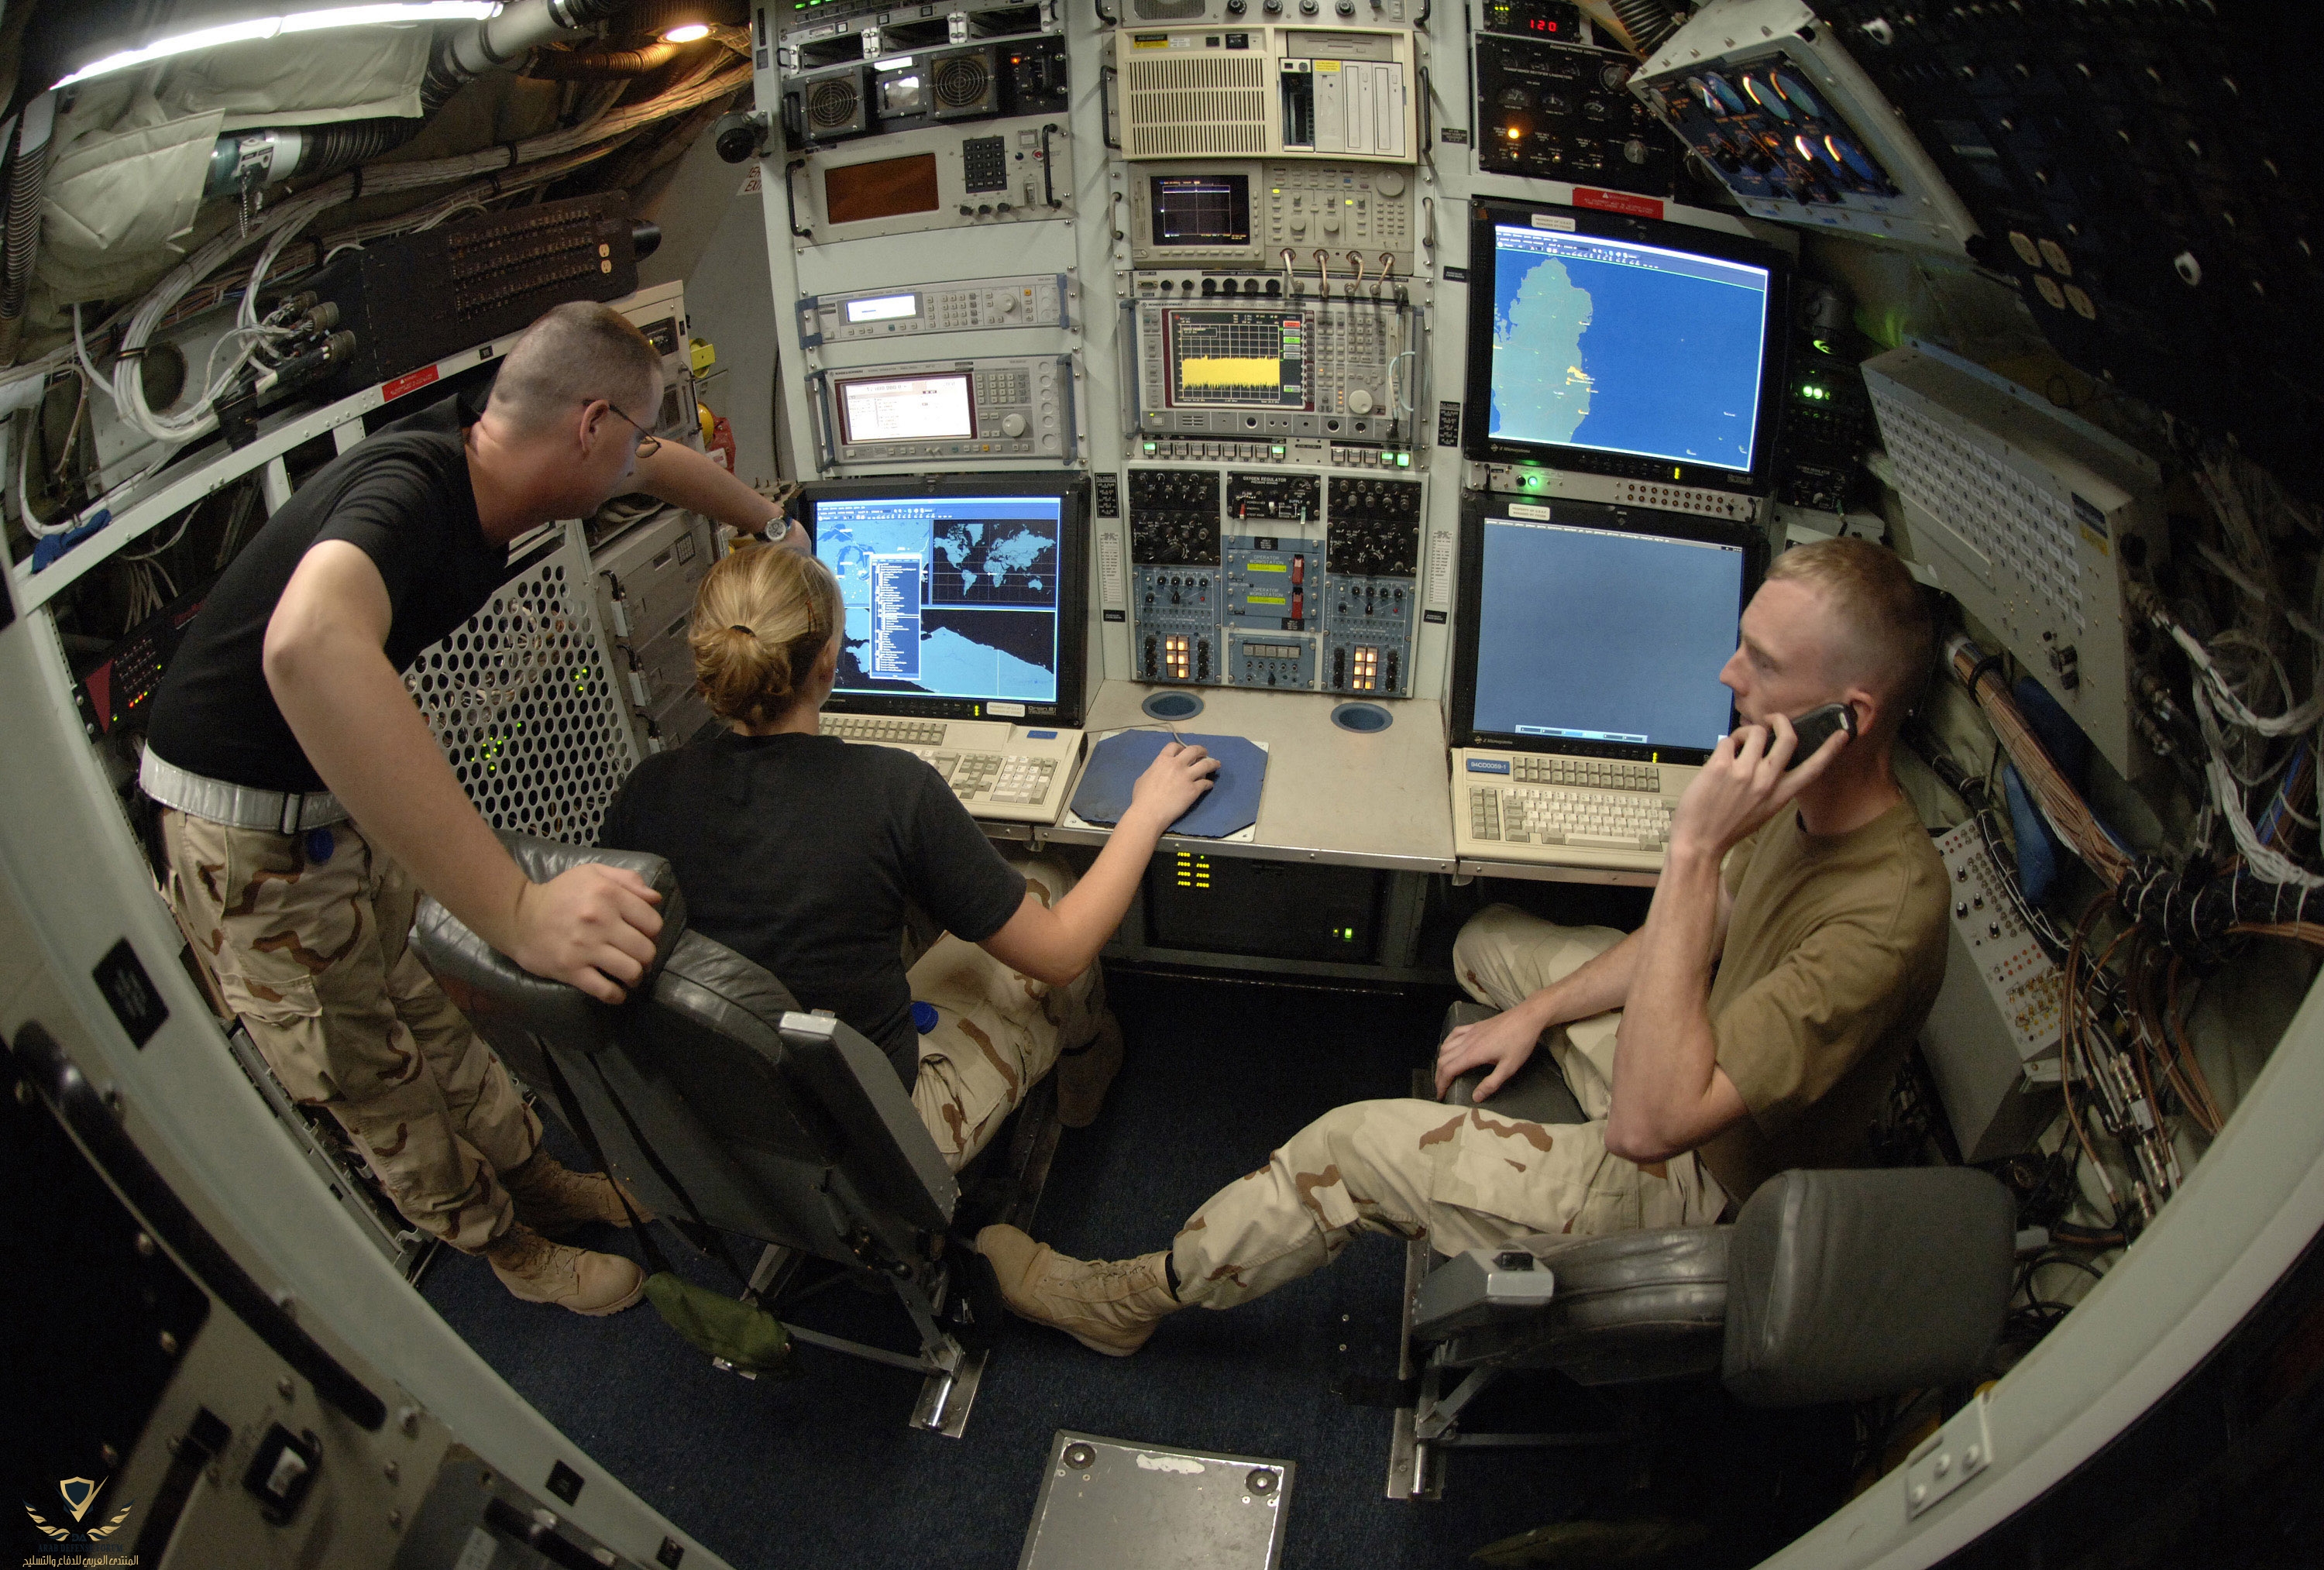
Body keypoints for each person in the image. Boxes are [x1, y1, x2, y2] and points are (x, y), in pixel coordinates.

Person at [978, 538, 1948, 1355]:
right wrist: (1531, 1013)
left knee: (1345, 1146)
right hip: (1701, 1046)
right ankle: (1524, 1009)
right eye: (1741, 647)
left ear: (1846, 717)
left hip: (1700, 1171)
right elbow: (1683, 944)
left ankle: (1133, 1299)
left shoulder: (1884, 916)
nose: (1728, 678)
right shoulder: (1802, 794)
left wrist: (1694, 845)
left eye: (1765, 665)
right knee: (1485, 942)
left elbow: (1650, 1125)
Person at [146, 301, 805, 1317]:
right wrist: (517, 909)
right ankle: (506, 1248)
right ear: (586, 426)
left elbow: (661, 461)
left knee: (425, 1005)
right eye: (627, 434)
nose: (641, 456)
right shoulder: (410, 491)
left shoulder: (501, 441)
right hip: (248, 836)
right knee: (370, 1067)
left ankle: (537, 1179)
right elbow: (308, 646)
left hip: (332, 797)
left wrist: (769, 523)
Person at [596, 545, 1219, 1172]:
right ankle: (1088, 1064)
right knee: (1045, 876)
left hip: (714, 1122)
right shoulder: (889, 790)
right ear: (828, 664)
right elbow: (1061, 952)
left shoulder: (645, 792)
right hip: (878, 1136)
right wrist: (1145, 813)